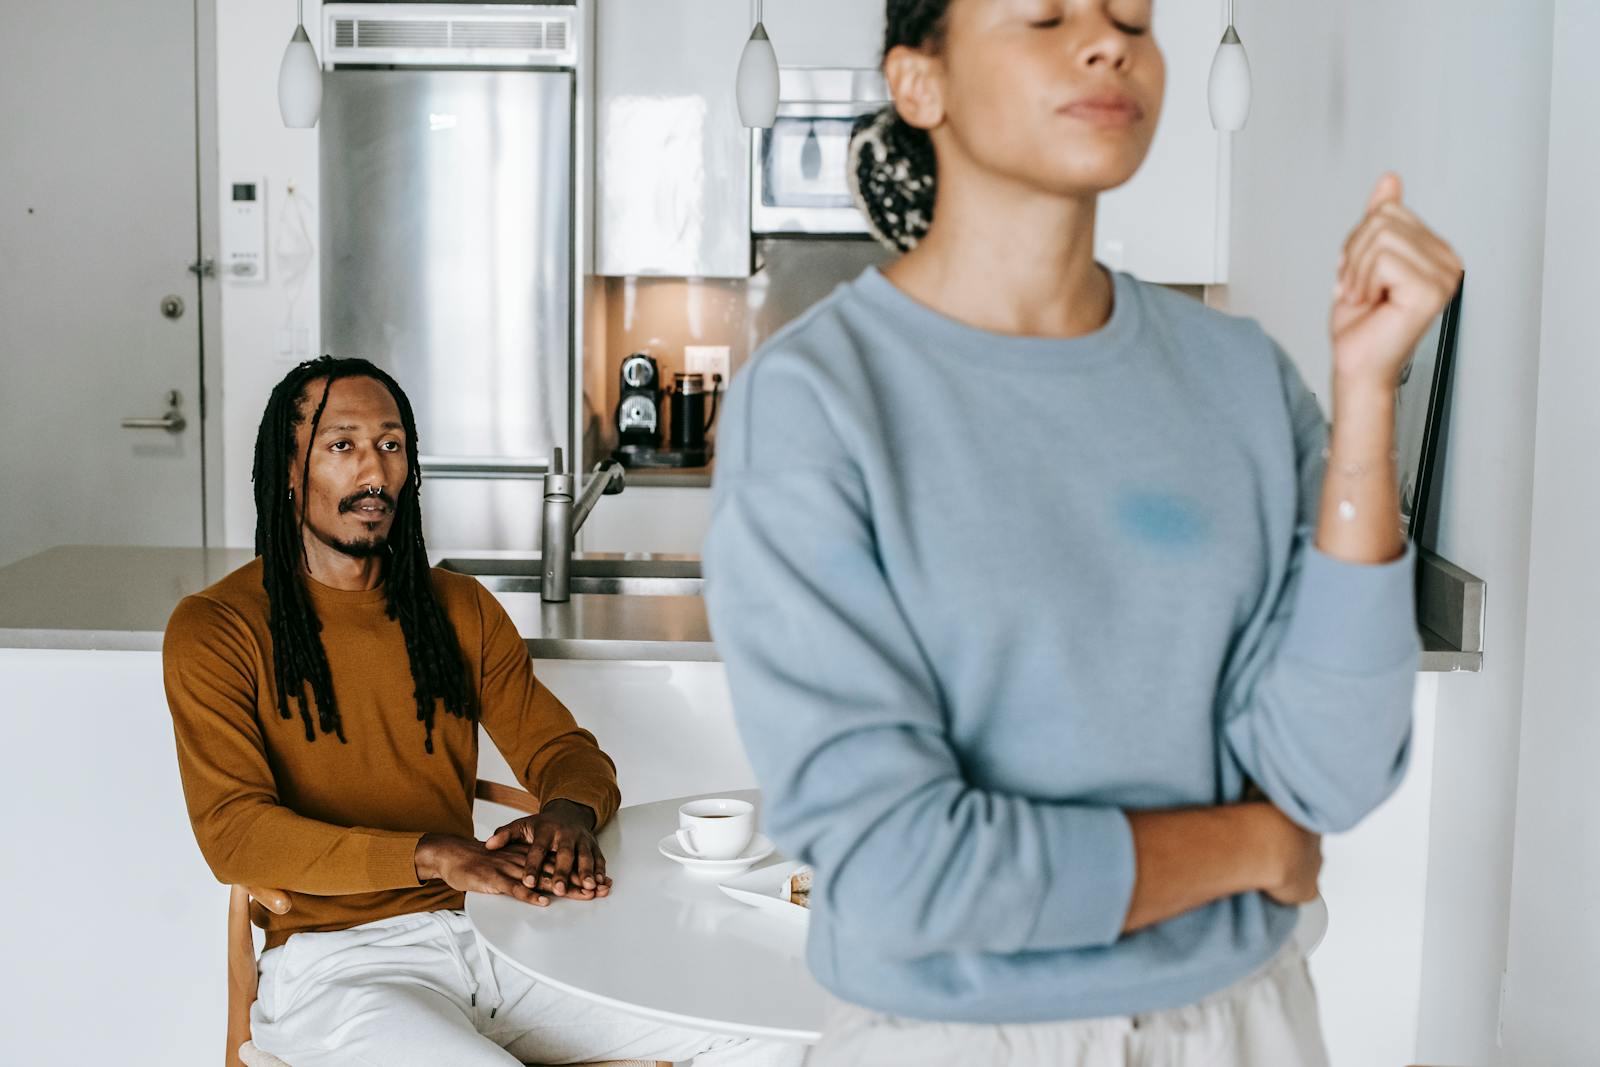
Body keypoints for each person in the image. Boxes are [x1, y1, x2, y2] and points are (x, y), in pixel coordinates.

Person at [703, 1, 1463, 1064]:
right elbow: (899, 869)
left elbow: (1328, 775)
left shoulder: (1240, 377)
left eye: (1131, 17)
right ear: (920, 83)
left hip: (1246, 1018)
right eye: (1046, 14)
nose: (1107, 41)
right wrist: (1247, 841)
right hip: (953, 1039)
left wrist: (1365, 394)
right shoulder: (817, 400)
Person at [165, 356, 802, 1067]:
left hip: (491, 939)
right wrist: (432, 852)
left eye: (392, 444)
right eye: (341, 445)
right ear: (288, 469)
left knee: (767, 1029)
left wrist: (567, 815)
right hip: (339, 969)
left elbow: (568, 752)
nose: (373, 471)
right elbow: (235, 833)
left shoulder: (457, 609)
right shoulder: (218, 628)